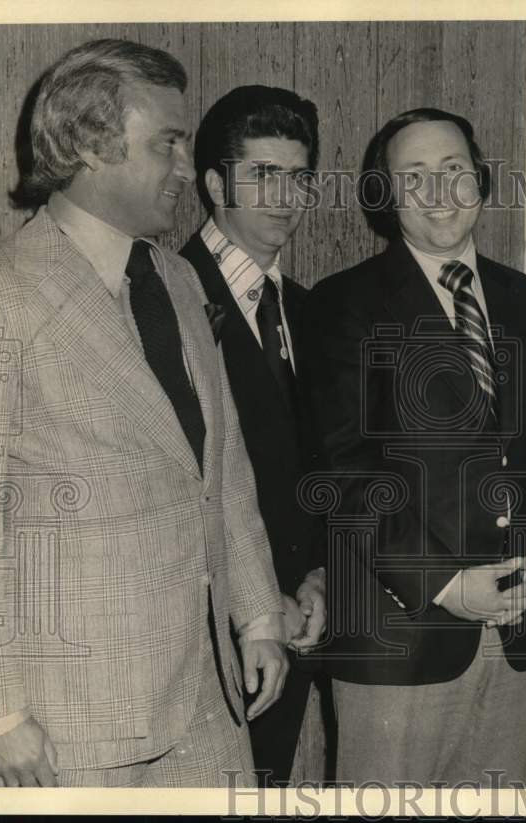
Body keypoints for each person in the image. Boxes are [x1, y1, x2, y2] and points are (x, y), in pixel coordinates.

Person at [0, 39, 301, 788]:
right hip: (69, 721)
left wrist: (258, 616)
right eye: (170, 144)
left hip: (207, 697)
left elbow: (223, 465)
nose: (188, 168)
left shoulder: (179, 279)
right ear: (89, 145)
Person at [299, 108, 526, 787]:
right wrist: (443, 582)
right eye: (414, 177)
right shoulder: (342, 305)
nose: (439, 192)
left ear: (482, 180)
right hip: (397, 633)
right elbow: (344, 473)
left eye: (453, 171)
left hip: (514, 631)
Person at [179, 85, 330, 786]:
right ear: (215, 183)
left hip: (300, 618)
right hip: (211, 630)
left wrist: (322, 578)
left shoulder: (309, 309)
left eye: (298, 177)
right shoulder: (164, 293)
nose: (286, 196)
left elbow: (326, 463)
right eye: (263, 174)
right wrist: (260, 601)